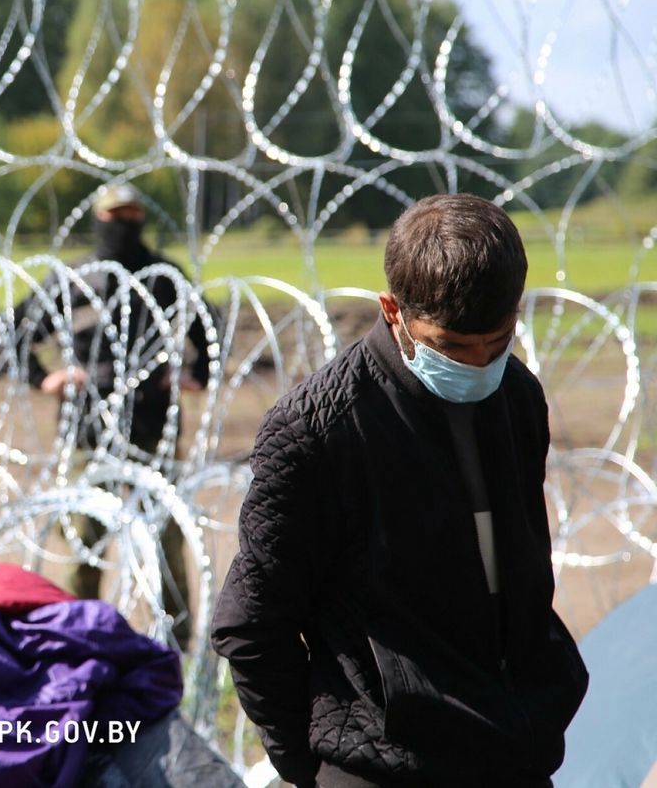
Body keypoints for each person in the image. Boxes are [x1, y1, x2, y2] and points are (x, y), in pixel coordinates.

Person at [211, 194, 588, 786]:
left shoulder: (517, 396)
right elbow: (253, 623)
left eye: (497, 339)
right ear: (392, 310)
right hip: (380, 764)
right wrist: (306, 769)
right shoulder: (319, 430)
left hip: (514, 749)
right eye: (452, 348)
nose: (479, 364)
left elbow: (516, 577)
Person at [7, 183, 215, 648]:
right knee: (84, 540)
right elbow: (17, 328)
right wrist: (45, 378)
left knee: (166, 537)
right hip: (88, 427)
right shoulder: (78, 278)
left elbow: (208, 325)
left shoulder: (162, 276)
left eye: (132, 214)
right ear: (98, 219)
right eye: (114, 216)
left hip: (152, 423)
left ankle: (176, 643)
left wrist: (195, 373)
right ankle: (80, 639)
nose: (124, 224)